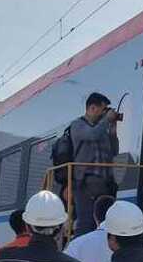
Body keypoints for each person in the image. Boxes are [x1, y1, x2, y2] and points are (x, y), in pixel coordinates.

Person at [52, 92, 122, 236]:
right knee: (86, 221)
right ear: (92, 108)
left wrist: (113, 132)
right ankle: (79, 251)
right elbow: (91, 135)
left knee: (105, 221)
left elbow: (114, 151)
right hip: (84, 182)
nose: (105, 114)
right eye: (104, 109)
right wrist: (106, 121)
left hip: (104, 182)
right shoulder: (78, 125)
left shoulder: (102, 129)